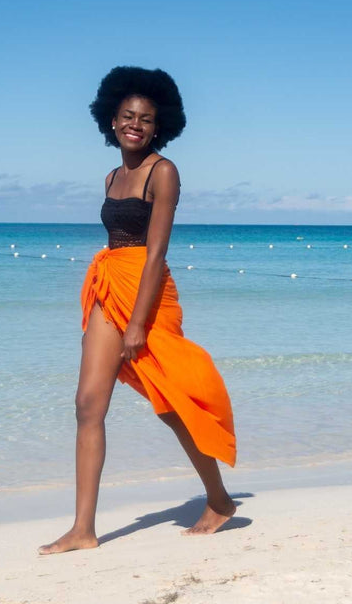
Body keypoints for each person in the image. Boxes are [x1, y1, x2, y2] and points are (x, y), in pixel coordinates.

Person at [38, 67, 237, 555]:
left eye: (146, 119)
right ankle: (83, 529)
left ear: (158, 126)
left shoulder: (162, 171)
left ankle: (219, 499)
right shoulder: (111, 175)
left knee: (171, 405)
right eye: (128, 116)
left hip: (147, 294)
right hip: (110, 287)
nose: (136, 124)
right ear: (111, 121)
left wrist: (137, 325)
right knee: (88, 405)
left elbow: (155, 252)